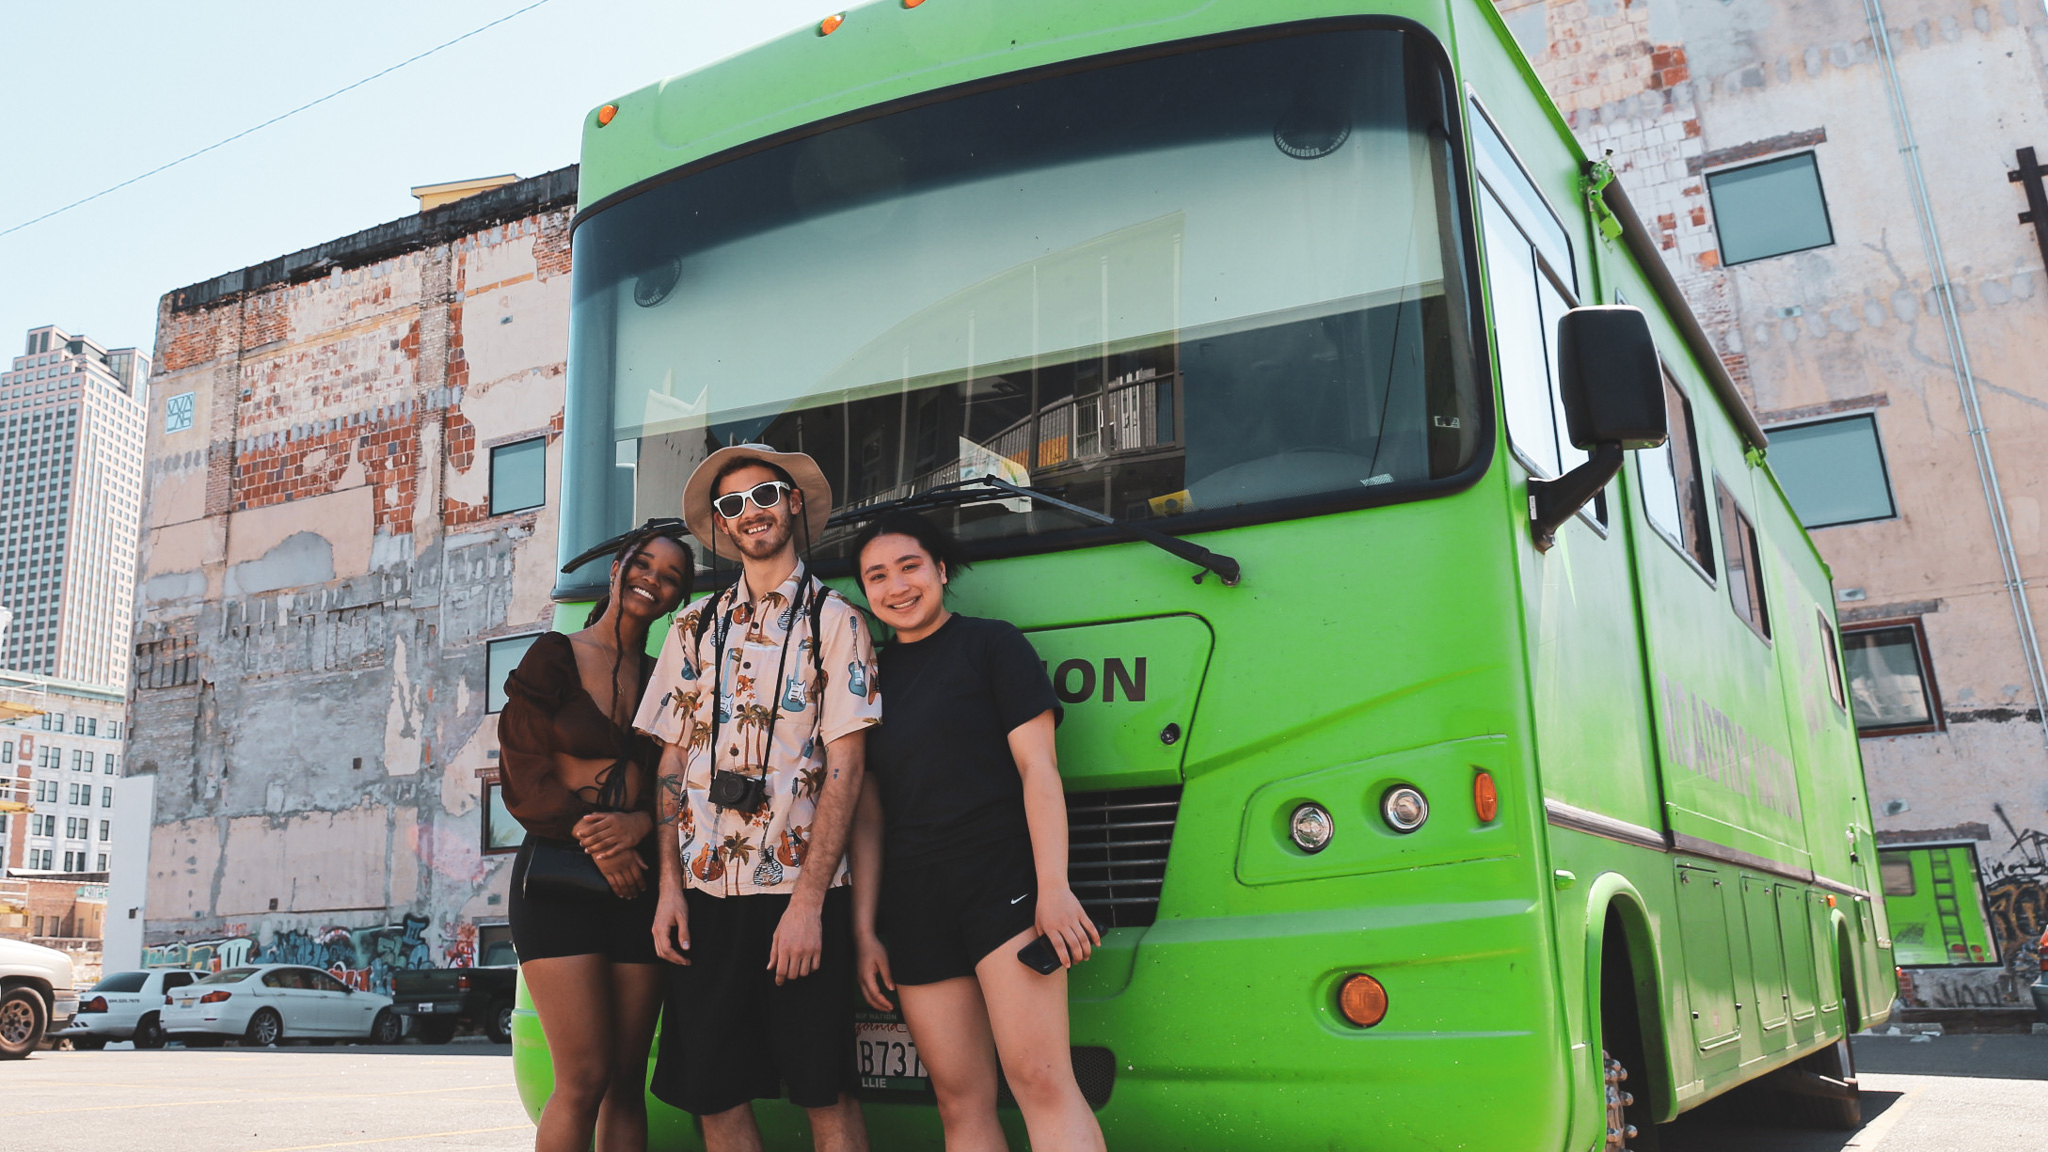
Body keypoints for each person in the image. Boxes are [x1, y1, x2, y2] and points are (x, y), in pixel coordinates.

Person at [636, 444, 882, 1152]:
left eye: (765, 495)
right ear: (721, 523)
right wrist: (669, 890)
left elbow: (848, 767)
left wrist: (808, 905)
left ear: (794, 502)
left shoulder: (839, 621)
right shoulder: (691, 628)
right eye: (733, 505)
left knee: (824, 1091)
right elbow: (671, 765)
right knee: (715, 1097)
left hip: (800, 899)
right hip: (704, 893)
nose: (752, 513)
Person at [848, 512, 1106, 1152]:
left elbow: (1039, 770)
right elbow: (870, 817)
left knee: (1041, 1082)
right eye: (876, 576)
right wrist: (864, 931)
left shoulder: (993, 645)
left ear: (940, 570)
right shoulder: (868, 682)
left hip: (1003, 889)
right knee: (959, 1103)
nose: (897, 586)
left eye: (910, 566)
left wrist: (1054, 888)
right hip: (915, 907)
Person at [498, 521, 694, 1152]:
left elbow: (675, 778)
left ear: (678, 599)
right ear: (617, 569)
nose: (653, 581)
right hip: (556, 875)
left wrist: (636, 828)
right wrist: (598, 843)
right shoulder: (552, 655)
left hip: (639, 879)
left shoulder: (671, 676)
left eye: (670, 578)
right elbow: (523, 771)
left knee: (625, 1082)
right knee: (581, 1076)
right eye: (644, 565)